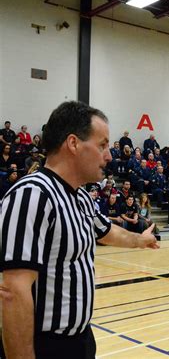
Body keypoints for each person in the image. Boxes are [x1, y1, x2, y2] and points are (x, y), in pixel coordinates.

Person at [0, 101, 158, 359]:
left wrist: (140, 240)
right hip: (47, 346)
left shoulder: (81, 198)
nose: (109, 156)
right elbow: (12, 292)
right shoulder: (32, 195)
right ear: (73, 144)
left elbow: (107, 232)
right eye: (102, 145)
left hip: (82, 340)